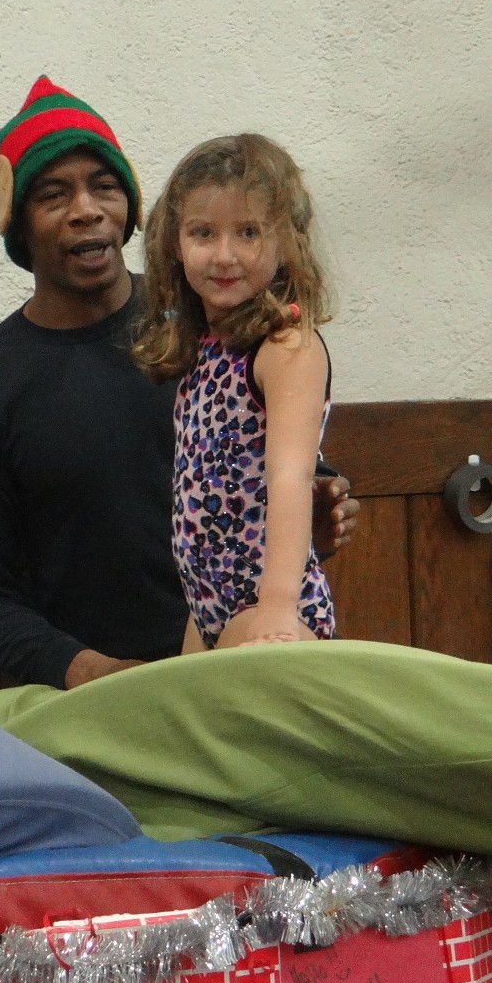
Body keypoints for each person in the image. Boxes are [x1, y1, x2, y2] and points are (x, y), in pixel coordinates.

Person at [0, 77, 358, 690]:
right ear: (17, 223)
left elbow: (271, 463)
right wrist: (93, 674)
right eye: (53, 194)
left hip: (245, 649)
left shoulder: (211, 325)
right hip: (92, 700)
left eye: (105, 186)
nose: (87, 209)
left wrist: (319, 506)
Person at [132, 134, 335, 651]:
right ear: (174, 242)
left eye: (248, 232)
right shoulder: (204, 349)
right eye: (203, 233)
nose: (224, 256)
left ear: (287, 242)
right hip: (206, 606)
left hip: (266, 607)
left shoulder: (285, 347)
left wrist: (276, 608)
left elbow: (290, 478)